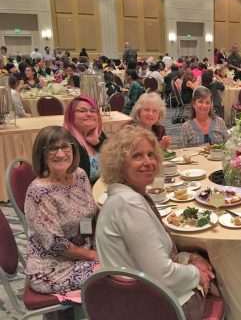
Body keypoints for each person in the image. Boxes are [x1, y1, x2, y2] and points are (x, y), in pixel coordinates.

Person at [96, 125, 219, 319]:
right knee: (223, 281)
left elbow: (150, 254)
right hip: (154, 308)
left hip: (129, 298)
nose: (148, 162)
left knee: (204, 261)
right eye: (137, 156)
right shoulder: (129, 204)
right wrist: (196, 273)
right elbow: (162, 276)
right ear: (119, 163)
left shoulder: (125, 196)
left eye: (151, 155)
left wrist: (190, 258)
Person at [25, 126, 98, 295]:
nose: (60, 154)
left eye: (65, 146)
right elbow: (55, 244)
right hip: (53, 266)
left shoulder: (80, 175)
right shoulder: (39, 192)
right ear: (41, 154)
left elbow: (87, 215)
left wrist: (94, 244)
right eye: (52, 149)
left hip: (82, 248)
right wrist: (92, 255)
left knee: (123, 254)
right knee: (114, 272)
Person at [64, 95, 106, 184]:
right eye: (82, 111)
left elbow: (113, 163)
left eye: (93, 111)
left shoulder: (99, 135)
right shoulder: (67, 142)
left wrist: (97, 142)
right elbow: (74, 182)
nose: (89, 114)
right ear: (71, 115)